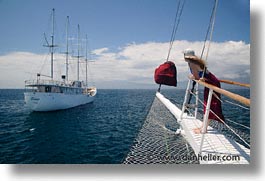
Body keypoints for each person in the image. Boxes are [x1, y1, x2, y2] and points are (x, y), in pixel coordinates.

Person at [183, 49, 225, 134]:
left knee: (210, 104)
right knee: (208, 104)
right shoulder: (193, 62)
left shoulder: (192, 64)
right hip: (210, 81)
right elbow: (198, 75)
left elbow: (196, 78)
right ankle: (203, 126)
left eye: (184, 55)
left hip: (211, 82)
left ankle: (204, 129)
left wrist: (192, 77)